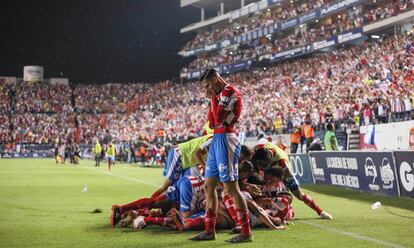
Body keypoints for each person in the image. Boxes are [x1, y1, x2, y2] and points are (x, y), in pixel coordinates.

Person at [190, 69, 252, 243]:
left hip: (226, 138)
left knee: (231, 188)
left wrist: (212, 99)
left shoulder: (230, 92)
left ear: (216, 79)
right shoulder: (218, 95)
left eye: (208, 85)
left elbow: (219, 117)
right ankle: (210, 231)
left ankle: (246, 232)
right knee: (209, 185)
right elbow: (212, 122)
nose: (207, 89)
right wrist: (212, 100)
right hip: (217, 137)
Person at [252, 142, 332, 220]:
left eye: (262, 164)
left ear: (268, 159)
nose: (260, 166)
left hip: (283, 173)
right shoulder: (260, 148)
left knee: (299, 195)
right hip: (272, 169)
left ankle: (320, 211)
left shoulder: (283, 163)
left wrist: (273, 182)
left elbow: (286, 176)